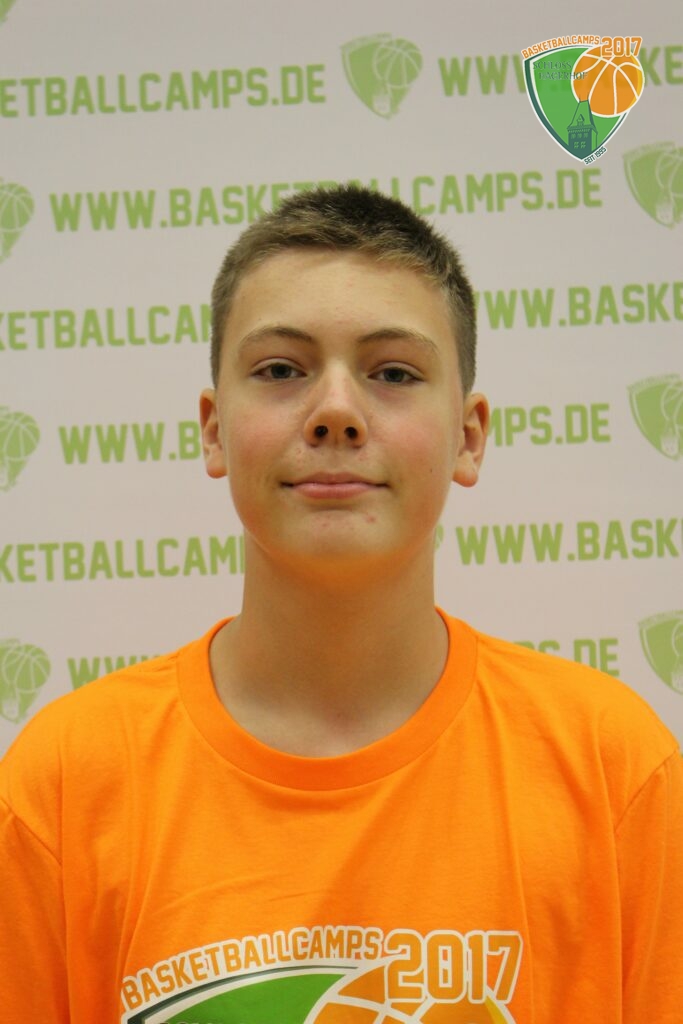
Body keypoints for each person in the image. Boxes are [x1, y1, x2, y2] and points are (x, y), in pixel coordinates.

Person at [1, 185, 681, 1024]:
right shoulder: (63, 786)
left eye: (392, 373)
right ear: (213, 429)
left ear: (468, 436)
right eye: (280, 371)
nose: (334, 413)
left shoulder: (612, 772)